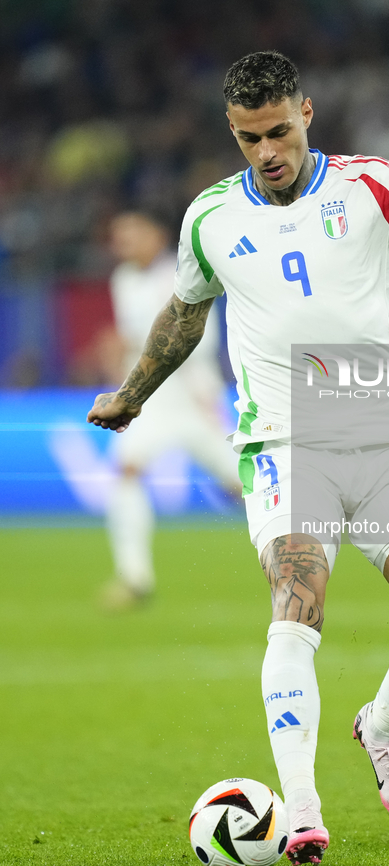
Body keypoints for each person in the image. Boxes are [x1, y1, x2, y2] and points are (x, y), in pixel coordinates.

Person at [88, 52, 389, 865]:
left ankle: (381, 725)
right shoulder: (209, 216)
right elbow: (185, 314)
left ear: (307, 113)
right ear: (233, 132)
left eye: (279, 131)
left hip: (386, 432)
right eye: (250, 138)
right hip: (283, 442)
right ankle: (299, 807)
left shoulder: (372, 185)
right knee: (298, 604)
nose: (267, 152)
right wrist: (133, 392)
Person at [103, 210, 238, 607]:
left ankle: (321, 536)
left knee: (246, 486)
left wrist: (208, 401)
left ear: (157, 236)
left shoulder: (182, 275)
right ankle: (135, 579)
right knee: (127, 470)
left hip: (193, 398)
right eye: (118, 237)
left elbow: (198, 339)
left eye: (132, 234)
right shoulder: (123, 280)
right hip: (153, 401)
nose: (124, 244)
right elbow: (133, 342)